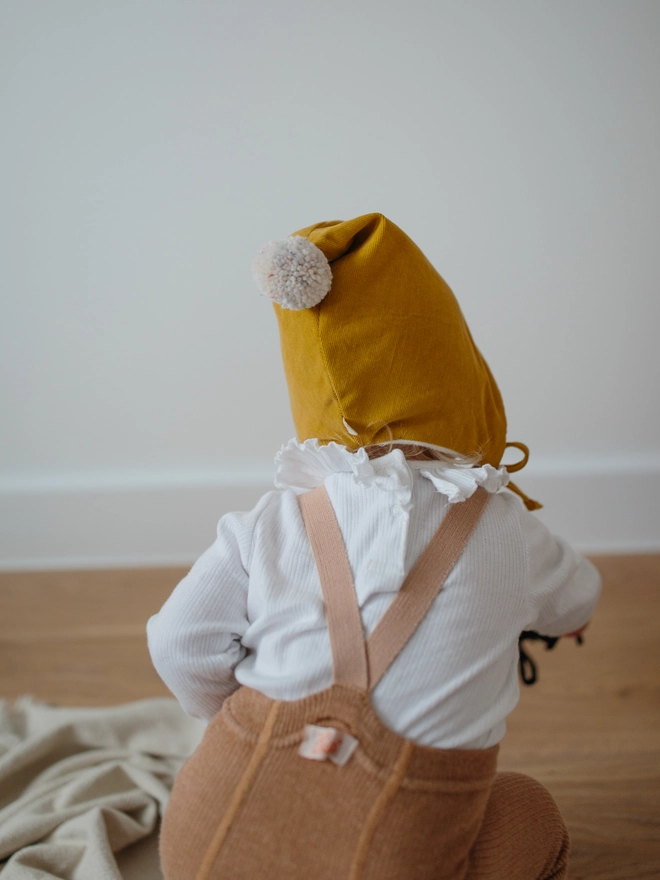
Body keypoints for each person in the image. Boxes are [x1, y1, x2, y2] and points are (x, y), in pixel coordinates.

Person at [147, 213, 601, 880]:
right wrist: (568, 620)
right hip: (394, 852)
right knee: (526, 813)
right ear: (462, 379)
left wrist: (233, 715)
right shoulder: (510, 529)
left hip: (206, 845)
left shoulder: (270, 521)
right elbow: (576, 597)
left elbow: (178, 644)